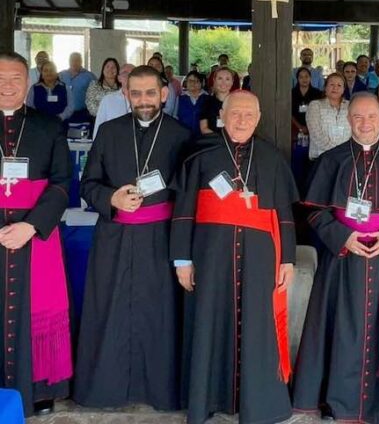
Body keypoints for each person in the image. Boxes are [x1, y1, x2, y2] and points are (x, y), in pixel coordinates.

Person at [293, 92, 379, 424]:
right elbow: (314, 213)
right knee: (340, 328)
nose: (365, 123)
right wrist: (344, 237)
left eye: (371, 117)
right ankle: (337, 402)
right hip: (342, 258)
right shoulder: (331, 160)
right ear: (348, 120)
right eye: (358, 117)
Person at [170, 90, 298, 424]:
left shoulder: (271, 157)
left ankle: (259, 403)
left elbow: (283, 212)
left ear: (258, 118)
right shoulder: (199, 153)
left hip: (260, 257)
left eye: (249, 115)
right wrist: (182, 259)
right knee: (209, 322)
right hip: (210, 255)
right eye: (235, 113)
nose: (242, 121)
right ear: (222, 115)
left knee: (258, 326)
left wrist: (287, 259)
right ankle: (207, 398)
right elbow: (183, 210)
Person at [75, 66, 191, 410]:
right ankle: (105, 389)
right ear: (125, 94)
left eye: (150, 93)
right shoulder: (109, 132)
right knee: (109, 311)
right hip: (115, 236)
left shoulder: (181, 135)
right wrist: (112, 198)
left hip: (160, 238)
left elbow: (187, 197)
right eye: (136, 93)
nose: (143, 101)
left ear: (164, 94)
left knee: (160, 316)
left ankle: (160, 391)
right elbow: (88, 185)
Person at [0, 52, 72, 417]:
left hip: (34, 234)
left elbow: (62, 183)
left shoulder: (48, 126)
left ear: (26, 82)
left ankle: (39, 390)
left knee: (36, 311)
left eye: (14, 77)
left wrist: (30, 226)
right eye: (0, 77)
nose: (7, 85)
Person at [306, 73, 351, 160]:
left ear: (343, 89)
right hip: (321, 157)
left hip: (345, 157)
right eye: (331, 84)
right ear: (325, 87)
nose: (335, 88)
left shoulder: (350, 106)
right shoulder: (315, 105)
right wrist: (335, 151)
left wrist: (345, 151)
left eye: (339, 85)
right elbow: (315, 133)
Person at [93, 63, 134, 138]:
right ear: (119, 78)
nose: (129, 76)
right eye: (125, 73)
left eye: (133, 73)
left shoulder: (144, 100)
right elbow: (98, 128)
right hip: (113, 146)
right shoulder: (108, 100)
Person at [59, 52, 95, 124]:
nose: (74, 62)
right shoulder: (61, 75)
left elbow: (95, 93)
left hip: (82, 114)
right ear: (69, 61)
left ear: (81, 61)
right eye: (72, 60)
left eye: (77, 60)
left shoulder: (89, 76)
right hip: (64, 113)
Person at [200, 66, 236, 134]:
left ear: (232, 82)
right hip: (213, 142)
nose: (223, 82)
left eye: (227, 79)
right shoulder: (207, 102)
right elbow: (204, 128)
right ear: (214, 80)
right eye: (220, 78)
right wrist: (220, 140)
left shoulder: (238, 103)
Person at [291, 66, 323, 140]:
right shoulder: (292, 93)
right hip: (296, 126)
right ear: (297, 79)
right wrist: (300, 127)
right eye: (301, 77)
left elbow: (319, 112)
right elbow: (290, 113)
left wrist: (309, 127)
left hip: (313, 127)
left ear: (310, 78)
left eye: (306, 76)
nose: (304, 79)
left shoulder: (317, 93)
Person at [176, 71, 208, 138]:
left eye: (196, 81)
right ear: (186, 83)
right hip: (183, 138)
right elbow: (175, 118)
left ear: (201, 83)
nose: (193, 83)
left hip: (203, 138)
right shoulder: (180, 98)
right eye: (190, 81)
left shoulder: (207, 98)